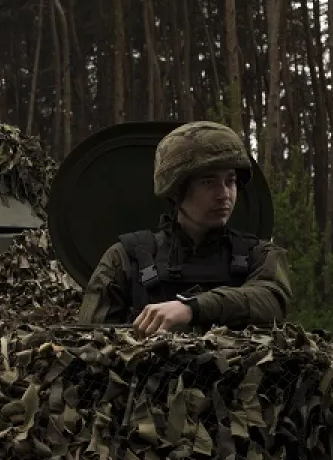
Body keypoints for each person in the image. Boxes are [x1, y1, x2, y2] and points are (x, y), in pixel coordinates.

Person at [75, 120, 292, 334]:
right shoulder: (124, 259)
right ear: (176, 190)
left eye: (230, 181)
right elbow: (91, 341)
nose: (224, 194)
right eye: (208, 182)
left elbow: (273, 299)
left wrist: (192, 308)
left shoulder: (259, 255)